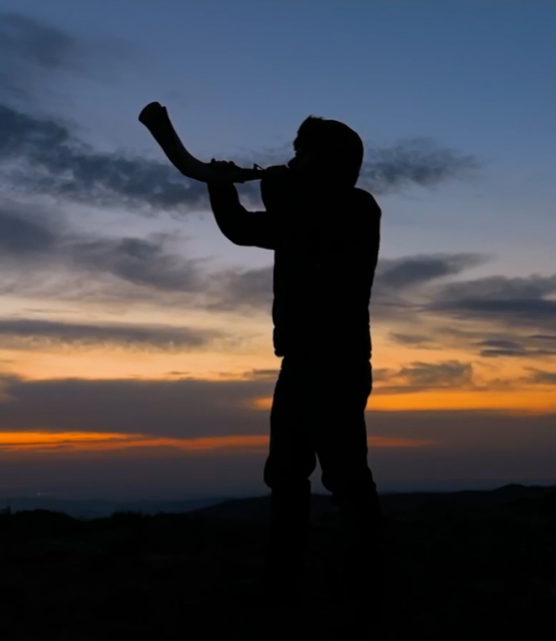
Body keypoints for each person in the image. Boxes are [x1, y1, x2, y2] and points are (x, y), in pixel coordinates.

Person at [206, 117, 384, 607]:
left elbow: (276, 214)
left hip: (336, 361)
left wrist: (253, 183)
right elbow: (244, 228)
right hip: (304, 360)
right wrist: (224, 191)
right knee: (287, 472)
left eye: (302, 153)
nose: (292, 161)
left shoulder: (352, 208)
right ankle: (285, 579)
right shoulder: (309, 207)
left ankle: (364, 581)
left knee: (345, 475)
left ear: (327, 162)